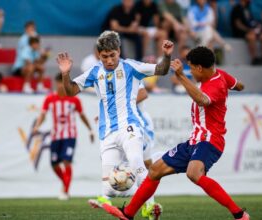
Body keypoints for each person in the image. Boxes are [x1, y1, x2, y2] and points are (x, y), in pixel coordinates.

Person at [102, 46, 249, 220]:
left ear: (200, 68)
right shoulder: (221, 76)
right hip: (195, 141)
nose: (191, 72)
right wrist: (231, 85)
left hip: (210, 140)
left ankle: (239, 214)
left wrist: (180, 76)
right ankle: (128, 214)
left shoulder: (215, 83)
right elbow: (239, 86)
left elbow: (202, 99)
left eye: (192, 68)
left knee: (194, 174)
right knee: (155, 170)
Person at [57, 30, 174, 219]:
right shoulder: (95, 72)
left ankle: (150, 208)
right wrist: (65, 73)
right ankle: (119, 201)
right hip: (107, 133)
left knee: (137, 163)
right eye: (105, 57)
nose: (109, 60)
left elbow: (161, 69)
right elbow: (70, 91)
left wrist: (167, 56)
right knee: (110, 187)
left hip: (130, 127)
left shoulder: (131, 67)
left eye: (113, 55)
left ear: (119, 51)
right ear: (99, 55)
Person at [88, 83, 158, 219]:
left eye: (111, 59)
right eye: (105, 59)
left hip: (138, 125)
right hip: (121, 127)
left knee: (141, 164)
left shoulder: (129, 72)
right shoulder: (108, 79)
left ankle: (148, 205)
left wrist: (120, 109)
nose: (109, 60)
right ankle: (107, 196)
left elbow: (143, 93)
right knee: (114, 161)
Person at [32, 73, 94, 200]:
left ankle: (65, 191)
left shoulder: (74, 99)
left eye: (64, 83)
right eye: (60, 83)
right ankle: (65, 183)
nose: (62, 85)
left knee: (66, 161)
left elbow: (82, 116)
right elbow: (43, 115)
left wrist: (90, 130)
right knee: (54, 164)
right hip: (55, 136)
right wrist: (37, 126)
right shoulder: (49, 99)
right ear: (56, 83)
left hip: (70, 136)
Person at [231, 0, 262, 65]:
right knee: (251, 36)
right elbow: (238, 24)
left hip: (251, 30)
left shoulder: (247, 8)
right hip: (240, 32)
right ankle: (254, 59)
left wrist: (257, 27)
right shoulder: (237, 8)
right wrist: (249, 29)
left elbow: (251, 21)